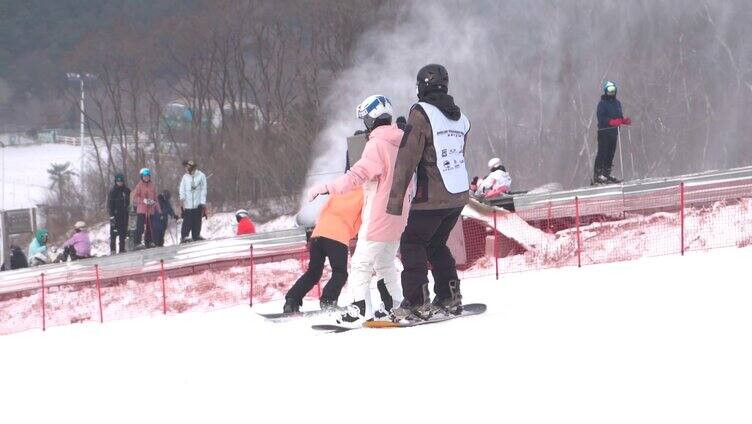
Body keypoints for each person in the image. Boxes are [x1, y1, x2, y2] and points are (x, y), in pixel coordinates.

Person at [307, 94, 413, 327]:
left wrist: (326, 187)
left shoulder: (376, 144)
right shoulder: (403, 143)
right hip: (399, 215)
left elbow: (356, 175)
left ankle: (358, 309)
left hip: (379, 216)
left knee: (360, 264)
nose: (364, 125)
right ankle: (395, 306)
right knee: (385, 263)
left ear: (373, 118)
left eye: (365, 119)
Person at [387, 64, 471, 322]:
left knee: (412, 243)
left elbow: (407, 158)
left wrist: (395, 200)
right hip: (458, 194)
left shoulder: (421, 112)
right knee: (435, 244)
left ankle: (415, 302)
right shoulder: (461, 119)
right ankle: (449, 295)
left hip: (431, 196)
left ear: (422, 86)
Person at [283, 189, 363, 314]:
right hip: (337, 235)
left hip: (317, 234)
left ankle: (291, 300)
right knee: (340, 273)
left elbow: (323, 211)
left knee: (313, 273)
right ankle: (328, 301)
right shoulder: (364, 192)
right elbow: (363, 219)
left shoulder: (340, 188)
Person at [594, 80, 632, 185]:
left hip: (614, 132)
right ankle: (597, 175)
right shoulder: (602, 104)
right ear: (606, 91)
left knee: (611, 153)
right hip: (604, 131)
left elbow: (619, 116)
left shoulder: (617, 103)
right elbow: (601, 118)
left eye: (613, 90)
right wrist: (611, 121)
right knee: (603, 152)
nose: (611, 92)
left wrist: (623, 121)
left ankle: (606, 174)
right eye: (609, 90)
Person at [179, 160, 208, 242]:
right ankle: (184, 236)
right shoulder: (185, 177)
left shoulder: (201, 176)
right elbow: (182, 189)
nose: (186, 170)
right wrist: (182, 198)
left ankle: (196, 235)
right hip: (188, 204)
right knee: (187, 221)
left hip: (198, 203)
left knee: (197, 220)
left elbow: (203, 190)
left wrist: (203, 202)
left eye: (187, 168)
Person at [132, 168, 162, 248]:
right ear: (141, 177)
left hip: (151, 210)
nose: (146, 178)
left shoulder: (152, 185)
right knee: (140, 227)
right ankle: (137, 242)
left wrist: (159, 210)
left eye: (148, 176)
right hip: (142, 210)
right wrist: (144, 200)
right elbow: (134, 197)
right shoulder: (139, 185)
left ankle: (148, 242)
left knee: (150, 227)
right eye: (144, 176)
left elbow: (155, 198)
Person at [107, 173, 131, 254]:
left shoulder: (127, 190)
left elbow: (130, 201)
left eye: (121, 181)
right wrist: (111, 216)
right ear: (116, 181)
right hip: (115, 215)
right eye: (118, 181)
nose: (120, 182)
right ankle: (113, 250)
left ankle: (122, 249)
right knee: (113, 233)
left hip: (124, 215)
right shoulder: (113, 191)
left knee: (123, 233)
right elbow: (110, 205)